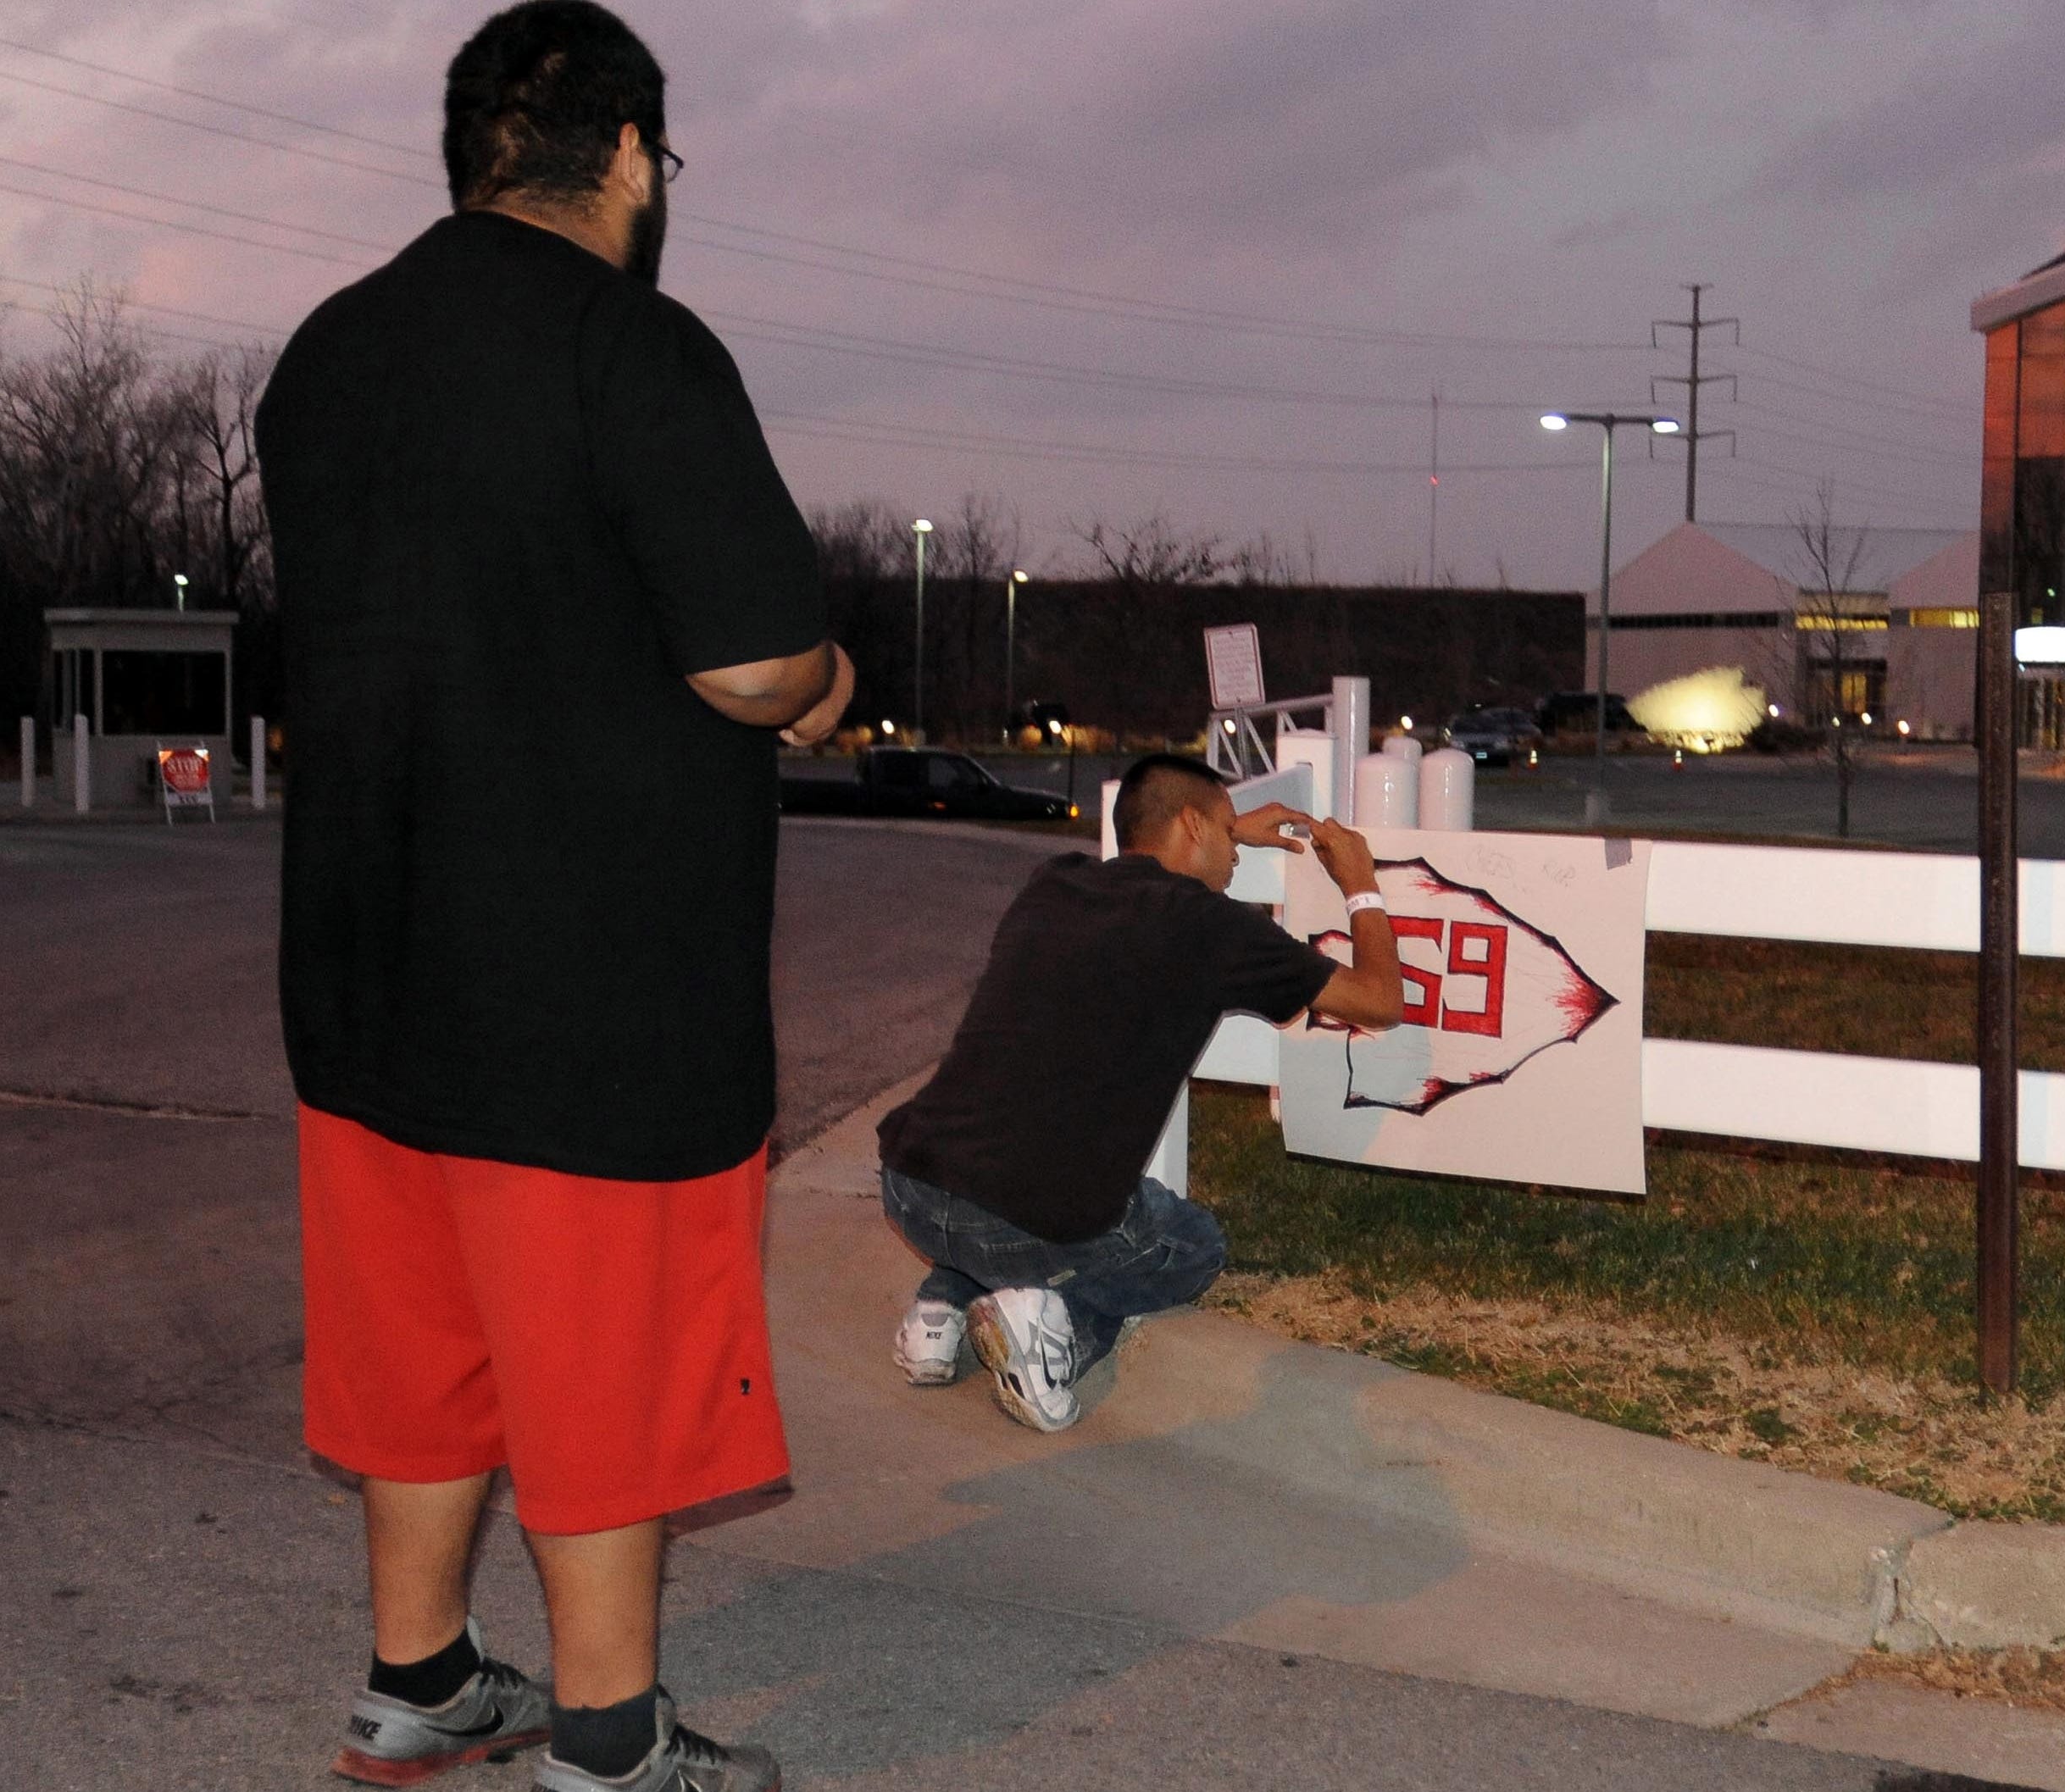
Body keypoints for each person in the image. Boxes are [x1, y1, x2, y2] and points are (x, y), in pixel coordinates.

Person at [258, 6, 850, 1788]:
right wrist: (821, 679)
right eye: (658, 161)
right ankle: (610, 1736)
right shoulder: (633, 348)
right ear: (626, 154)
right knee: (599, 1360)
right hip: (589, 990)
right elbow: (753, 659)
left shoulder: (327, 354)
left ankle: (419, 1676)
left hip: (368, 970)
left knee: (416, 1348)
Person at [877, 755, 1403, 1431]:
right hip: (1026, 1220)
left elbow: (1169, 851)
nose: (1237, 853)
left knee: (1006, 1194)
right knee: (1190, 1240)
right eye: (1225, 829)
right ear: (1191, 824)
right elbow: (1379, 999)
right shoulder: (1214, 928)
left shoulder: (1055, 882)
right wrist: (1360, 882)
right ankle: (1050, 1336)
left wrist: (1230, 828)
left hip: (912, 1186)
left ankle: (939, 1311)